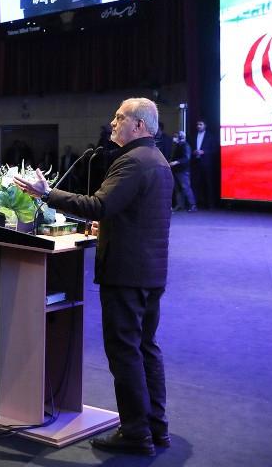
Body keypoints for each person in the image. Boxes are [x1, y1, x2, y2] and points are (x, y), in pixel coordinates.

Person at [13, 97, 171, 455]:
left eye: (120, 118)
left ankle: (135, 433)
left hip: (126, 273)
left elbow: (98, 204)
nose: (112, 123)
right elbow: (138, 215)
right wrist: (110, 224)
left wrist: (46, 194)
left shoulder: (131, 161)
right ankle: (156, 427)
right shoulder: (157, 160)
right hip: (150, 270)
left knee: (126, 352)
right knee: (146, 348)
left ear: (140, 126)